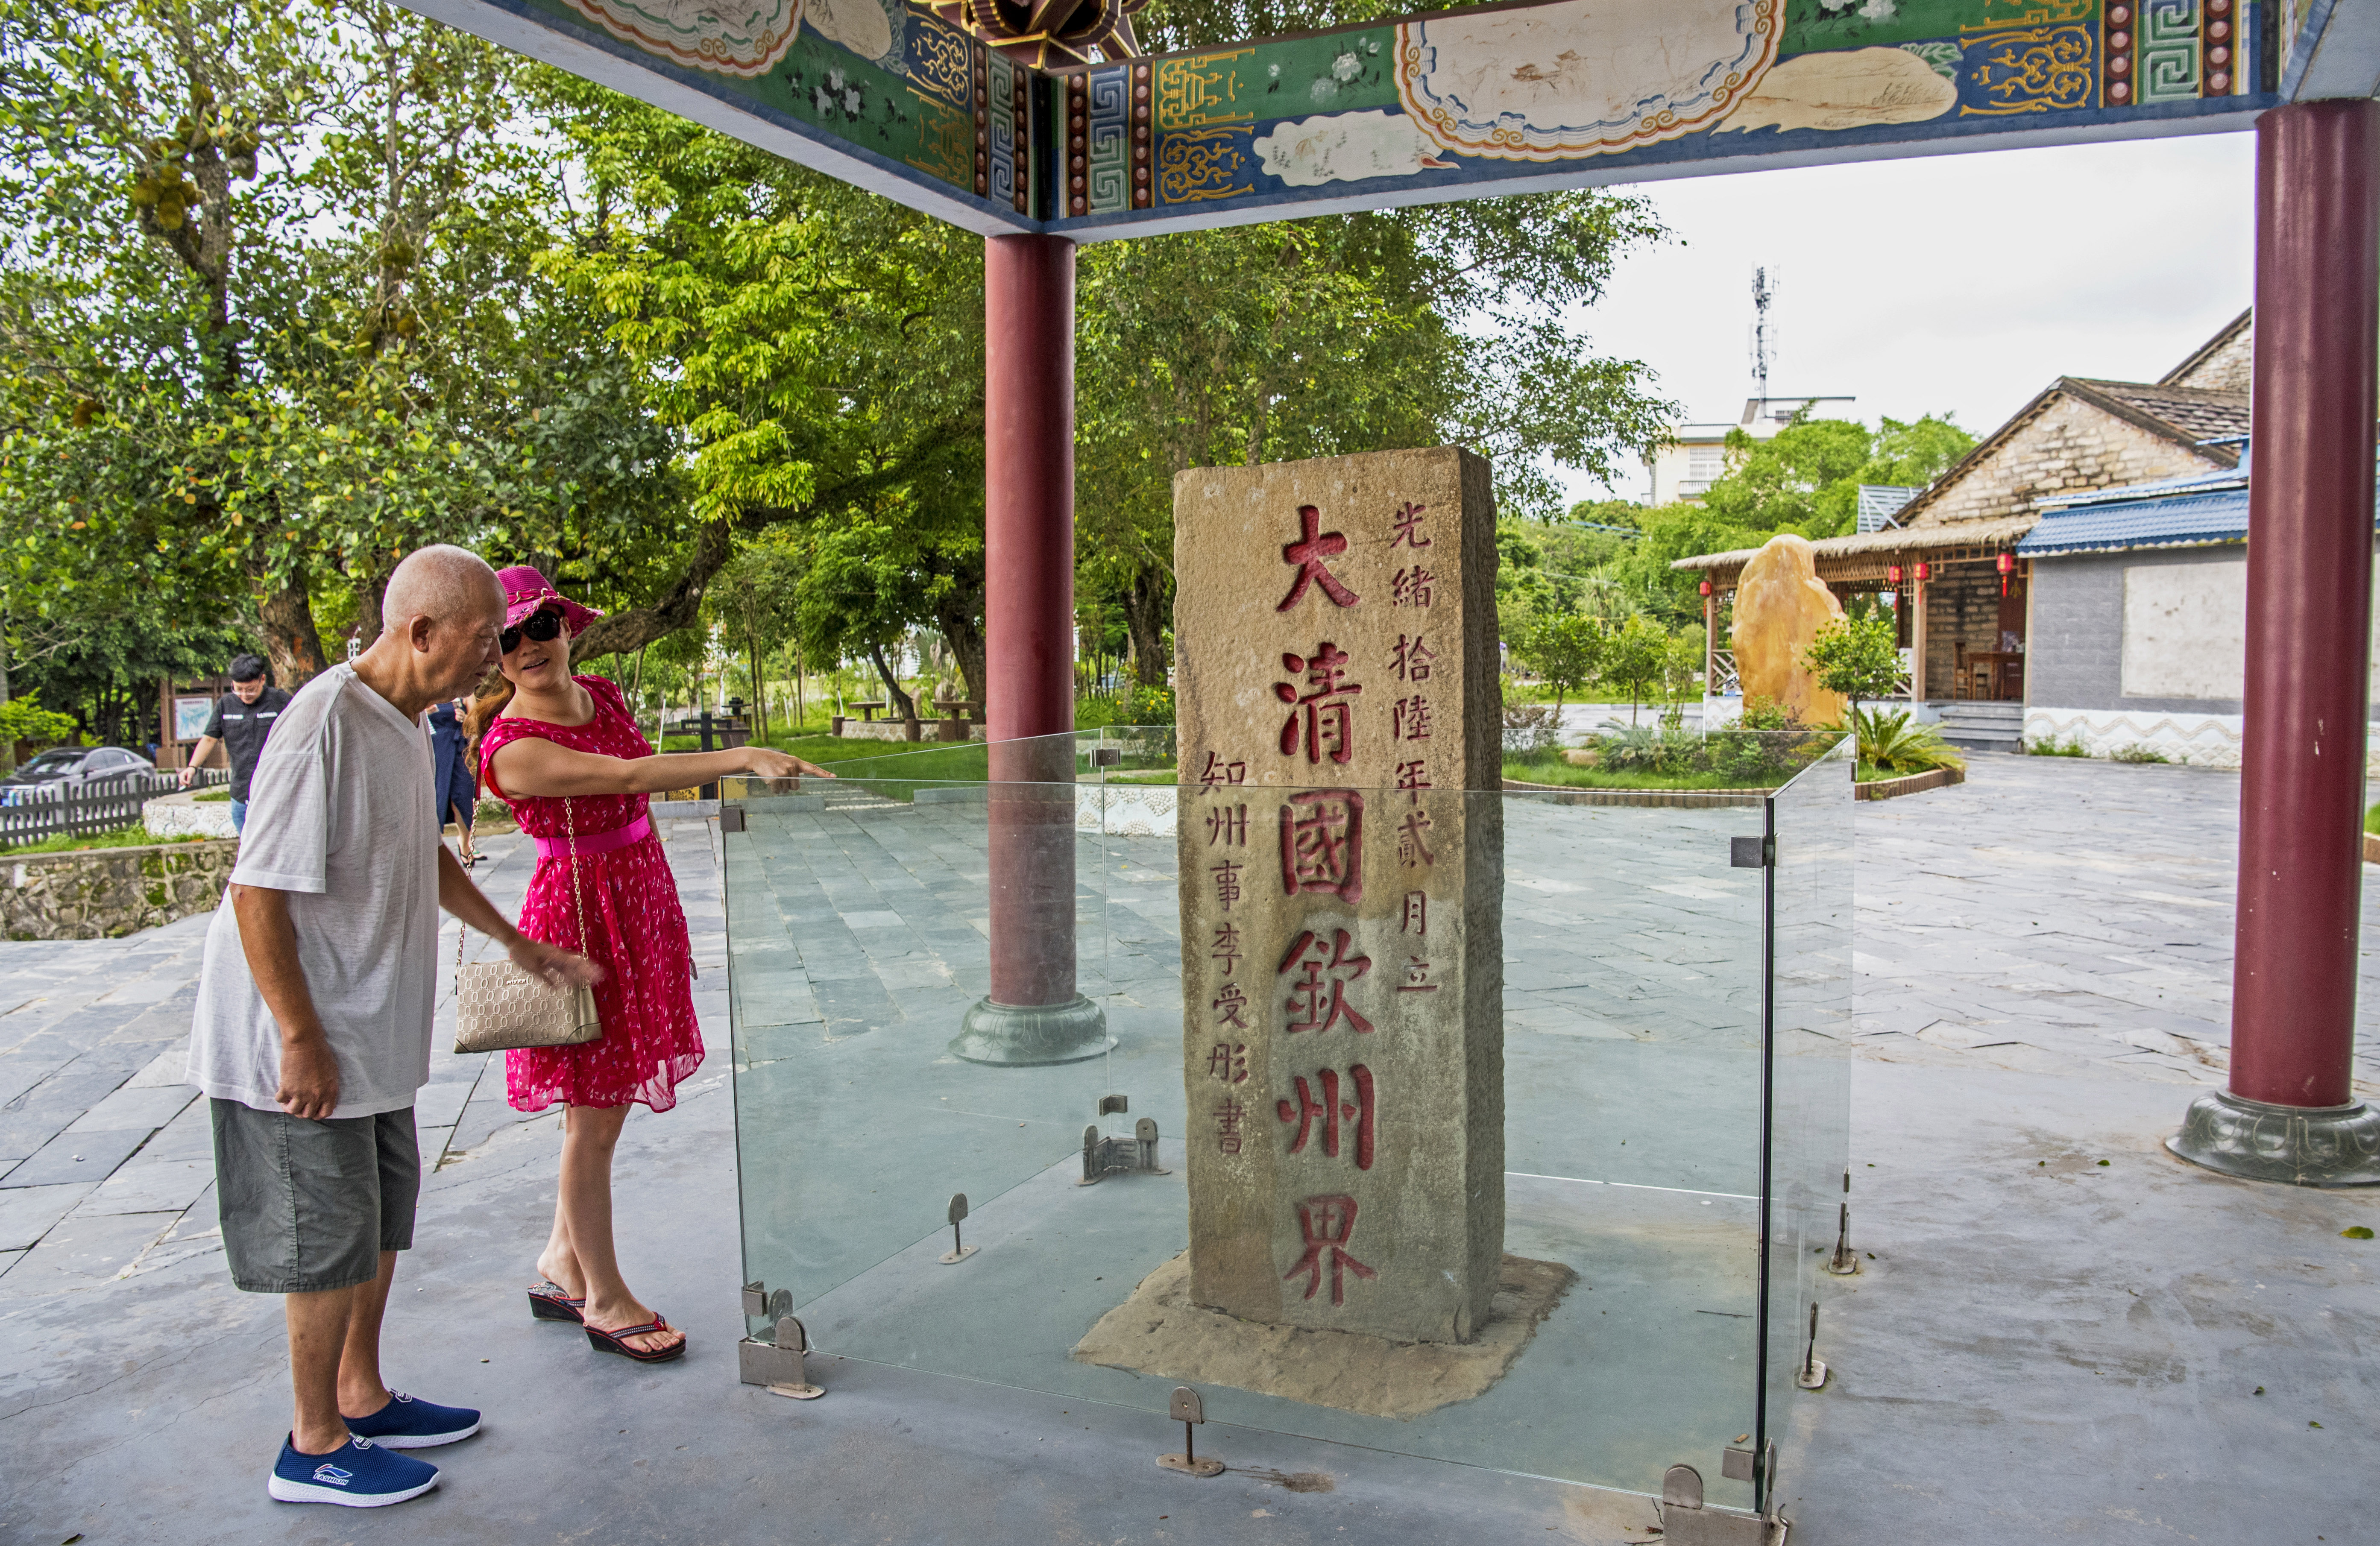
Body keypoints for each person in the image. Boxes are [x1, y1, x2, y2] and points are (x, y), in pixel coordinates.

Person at [187, 546, 600, 1509]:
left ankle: (361, 1397)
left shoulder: (410, 724)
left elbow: (425, 855)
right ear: (419, 632)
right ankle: (312, 1442)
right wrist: (299, 1035)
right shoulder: (321, 724)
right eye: (478, 643)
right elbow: (254, 893)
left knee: (379, 1219)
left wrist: (516, 942)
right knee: (326, 1235)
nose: (492, 660)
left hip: (368, 1032)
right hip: (302, 1038)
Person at [469, 566, 827, 1363]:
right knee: (592, 1117)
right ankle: (602, 1297)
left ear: (567, 627)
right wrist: (743, 755)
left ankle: (562, 1263)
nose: (530, 646)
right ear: (495, 656)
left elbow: (631, 790)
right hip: (580, 923)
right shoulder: (511, 749)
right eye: (511, 638)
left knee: (599, 1109)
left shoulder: (605, 693)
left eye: (542, 626)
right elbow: (631, 778)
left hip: (639, 900)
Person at [181, 653, 292, 832]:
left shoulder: (280, 701)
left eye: (250, 689)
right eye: (238, 689)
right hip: (241, 795)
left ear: (262, 680)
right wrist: (192, 767)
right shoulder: (226, 705)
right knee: (248, 852)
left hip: (275, 792)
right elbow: (209, 738)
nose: (244, 695)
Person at [427, 698, 478, 867]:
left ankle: (465, 841)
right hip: (435, 749)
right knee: (436, 797)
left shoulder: (463, 689)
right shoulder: (426, 685)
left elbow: (477, 718)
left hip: (458, 748)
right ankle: (435, 850)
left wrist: (466, 719)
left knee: (464, 795)